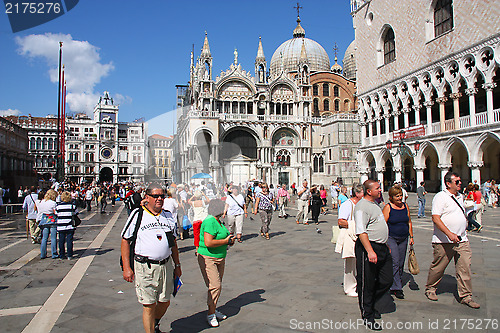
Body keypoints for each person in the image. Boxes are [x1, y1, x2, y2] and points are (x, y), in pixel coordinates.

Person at [121, 184, 182, 333]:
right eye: (155, 196)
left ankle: (154, 322)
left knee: (165, 301)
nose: (159, 199)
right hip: (144, 266)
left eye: (162, 195)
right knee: (148, 305)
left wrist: (178, 265)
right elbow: (125, 240)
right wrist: (127, 268)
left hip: (166, 265)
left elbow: (173, 243)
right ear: (147, 197)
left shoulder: (168, 215)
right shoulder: (138, 214)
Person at [425, 172, 480, 309]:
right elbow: (435, 218)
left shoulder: (460, 196)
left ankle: (466, 296)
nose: (460, 183)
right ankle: (431, 288)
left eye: (460, 181)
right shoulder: (440, 197)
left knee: (464, 267)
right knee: (438, 267)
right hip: (443, 241)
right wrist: (449, 233)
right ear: (448, 184)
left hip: (462, 240)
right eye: (457, 181)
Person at [354, 180, 392, 329]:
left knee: (387, 279)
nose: (380, 190)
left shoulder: (375, 204)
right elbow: (361, 231)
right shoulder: (362, 207)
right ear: (369, 191)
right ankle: (367, 314)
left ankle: (371, 302)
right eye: (377, 188)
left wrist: (385, 244)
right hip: (368, 247)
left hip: (381, 247)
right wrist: (370, 250)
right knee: (366, 282)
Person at [197, 199, 234, 327]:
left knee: (216, 286)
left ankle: (213, 309)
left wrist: (229, 240)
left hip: (220, 257)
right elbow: (209, 242)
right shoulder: (209, 221)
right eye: (224, 207)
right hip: (208, 258)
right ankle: (211, 314)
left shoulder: (218, 221)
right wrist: (226, 241)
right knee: (215, 286)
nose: (226, 209)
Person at [382, 186, 414, 300]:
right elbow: (383, 224)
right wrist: (384, 240)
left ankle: (395, 282)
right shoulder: (388, 207)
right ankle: (397, 288)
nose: (400, 198)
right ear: (391, 197)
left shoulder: (405, 206)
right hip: (392, 238)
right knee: (395, 261)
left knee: (400, 262)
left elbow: (409, 221)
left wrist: (411, 236)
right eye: (397, 196)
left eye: (401, 195)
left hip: (403, 237)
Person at [335, 184, 363, 297]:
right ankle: (349, 287)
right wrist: (356, 225)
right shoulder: (347, 204)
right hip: (351, 237)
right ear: (357, 194)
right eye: (363, 192)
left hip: (361, 236)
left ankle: (359, 284)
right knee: (351, 262)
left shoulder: (363, 204)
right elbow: (341, 221)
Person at [56, 191, 78, 260]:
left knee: (61, 241)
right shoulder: (72, 206)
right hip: (70, 226)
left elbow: (56, 213)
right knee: (69, 240)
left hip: (61, 226)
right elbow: (76, 213)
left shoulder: (58, 206)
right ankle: (69, 255)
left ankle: (62, 255)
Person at [38, 189, 59, 259]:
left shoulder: (42, 202)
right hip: (52, 219)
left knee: (44, 238)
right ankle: (54, 253)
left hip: (44, 220)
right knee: (53, 238)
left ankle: (43, 254)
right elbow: (56, 212)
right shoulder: (53, 203)